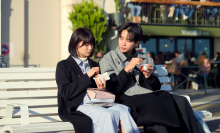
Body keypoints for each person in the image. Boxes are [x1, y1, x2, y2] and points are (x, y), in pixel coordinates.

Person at [99, 22, 200, 133]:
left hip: (148, 96)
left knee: (182, 101)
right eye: (121, 38)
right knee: (156, 104)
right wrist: (128, 68)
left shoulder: (145, 59)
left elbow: (155, 87)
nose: (123, 43)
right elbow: (113, 88)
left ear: (136, 42)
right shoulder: (108, 59)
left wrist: (148, 77)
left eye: (128, 40)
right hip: (125, 99)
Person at [56, 28, 140, 133]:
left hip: (98, 102)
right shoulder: (63, 65)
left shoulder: (95, 64)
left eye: (91, 44)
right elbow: (65, 92)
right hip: (77, 106)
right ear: (76, 44)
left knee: (124, 110)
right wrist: (87, 76)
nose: (90, 48)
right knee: (107, 115)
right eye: (86, 45)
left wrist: (103, 88)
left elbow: (107, 86)